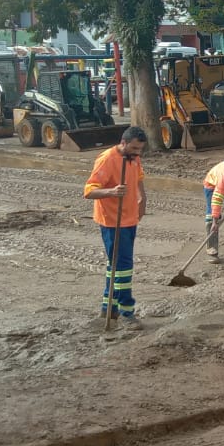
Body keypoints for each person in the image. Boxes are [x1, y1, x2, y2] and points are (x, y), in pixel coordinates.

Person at [83, 126, 147, 328]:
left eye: (140, 149)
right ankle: (127, 311)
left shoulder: (133, 157)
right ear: (124, 142)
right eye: (135, 148)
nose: (138, 153)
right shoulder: (106, 159)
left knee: (115, 265)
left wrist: (142, 199)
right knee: (123, 267)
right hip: (112, 221)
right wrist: (111, 191)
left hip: (129, 218)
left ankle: (108, 307)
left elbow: (139, 178)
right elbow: (89, 191)